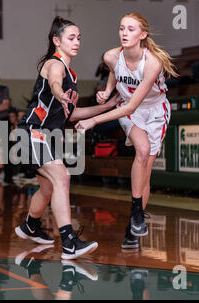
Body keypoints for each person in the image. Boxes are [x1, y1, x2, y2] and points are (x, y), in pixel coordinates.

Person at [14, 16, 120, 260]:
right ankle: (70, 242)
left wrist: (108, 106)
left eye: (79, 38)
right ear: (56, 40)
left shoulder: (71, 73)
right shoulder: (56, 65)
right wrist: (60, 93)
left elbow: (72, 115)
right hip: (32, 132)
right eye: (71, 37)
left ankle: (30, 225)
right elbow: (53, 83)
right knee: (62, 176)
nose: (77, 42)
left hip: (46, 136)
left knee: (49, 187)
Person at [75, 12, 179, 249]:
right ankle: (136, 213)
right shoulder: (111, 56)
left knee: (146, 169)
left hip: (153, 111)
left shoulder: (152, 62)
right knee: (141, 150)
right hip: (129, 109)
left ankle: (133, 225)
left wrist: (94, 120)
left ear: (142, 35)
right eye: (122, 28)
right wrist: (108, 90)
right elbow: (115, 71)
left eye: (131, 29)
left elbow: (134, 104)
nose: (124, 33)